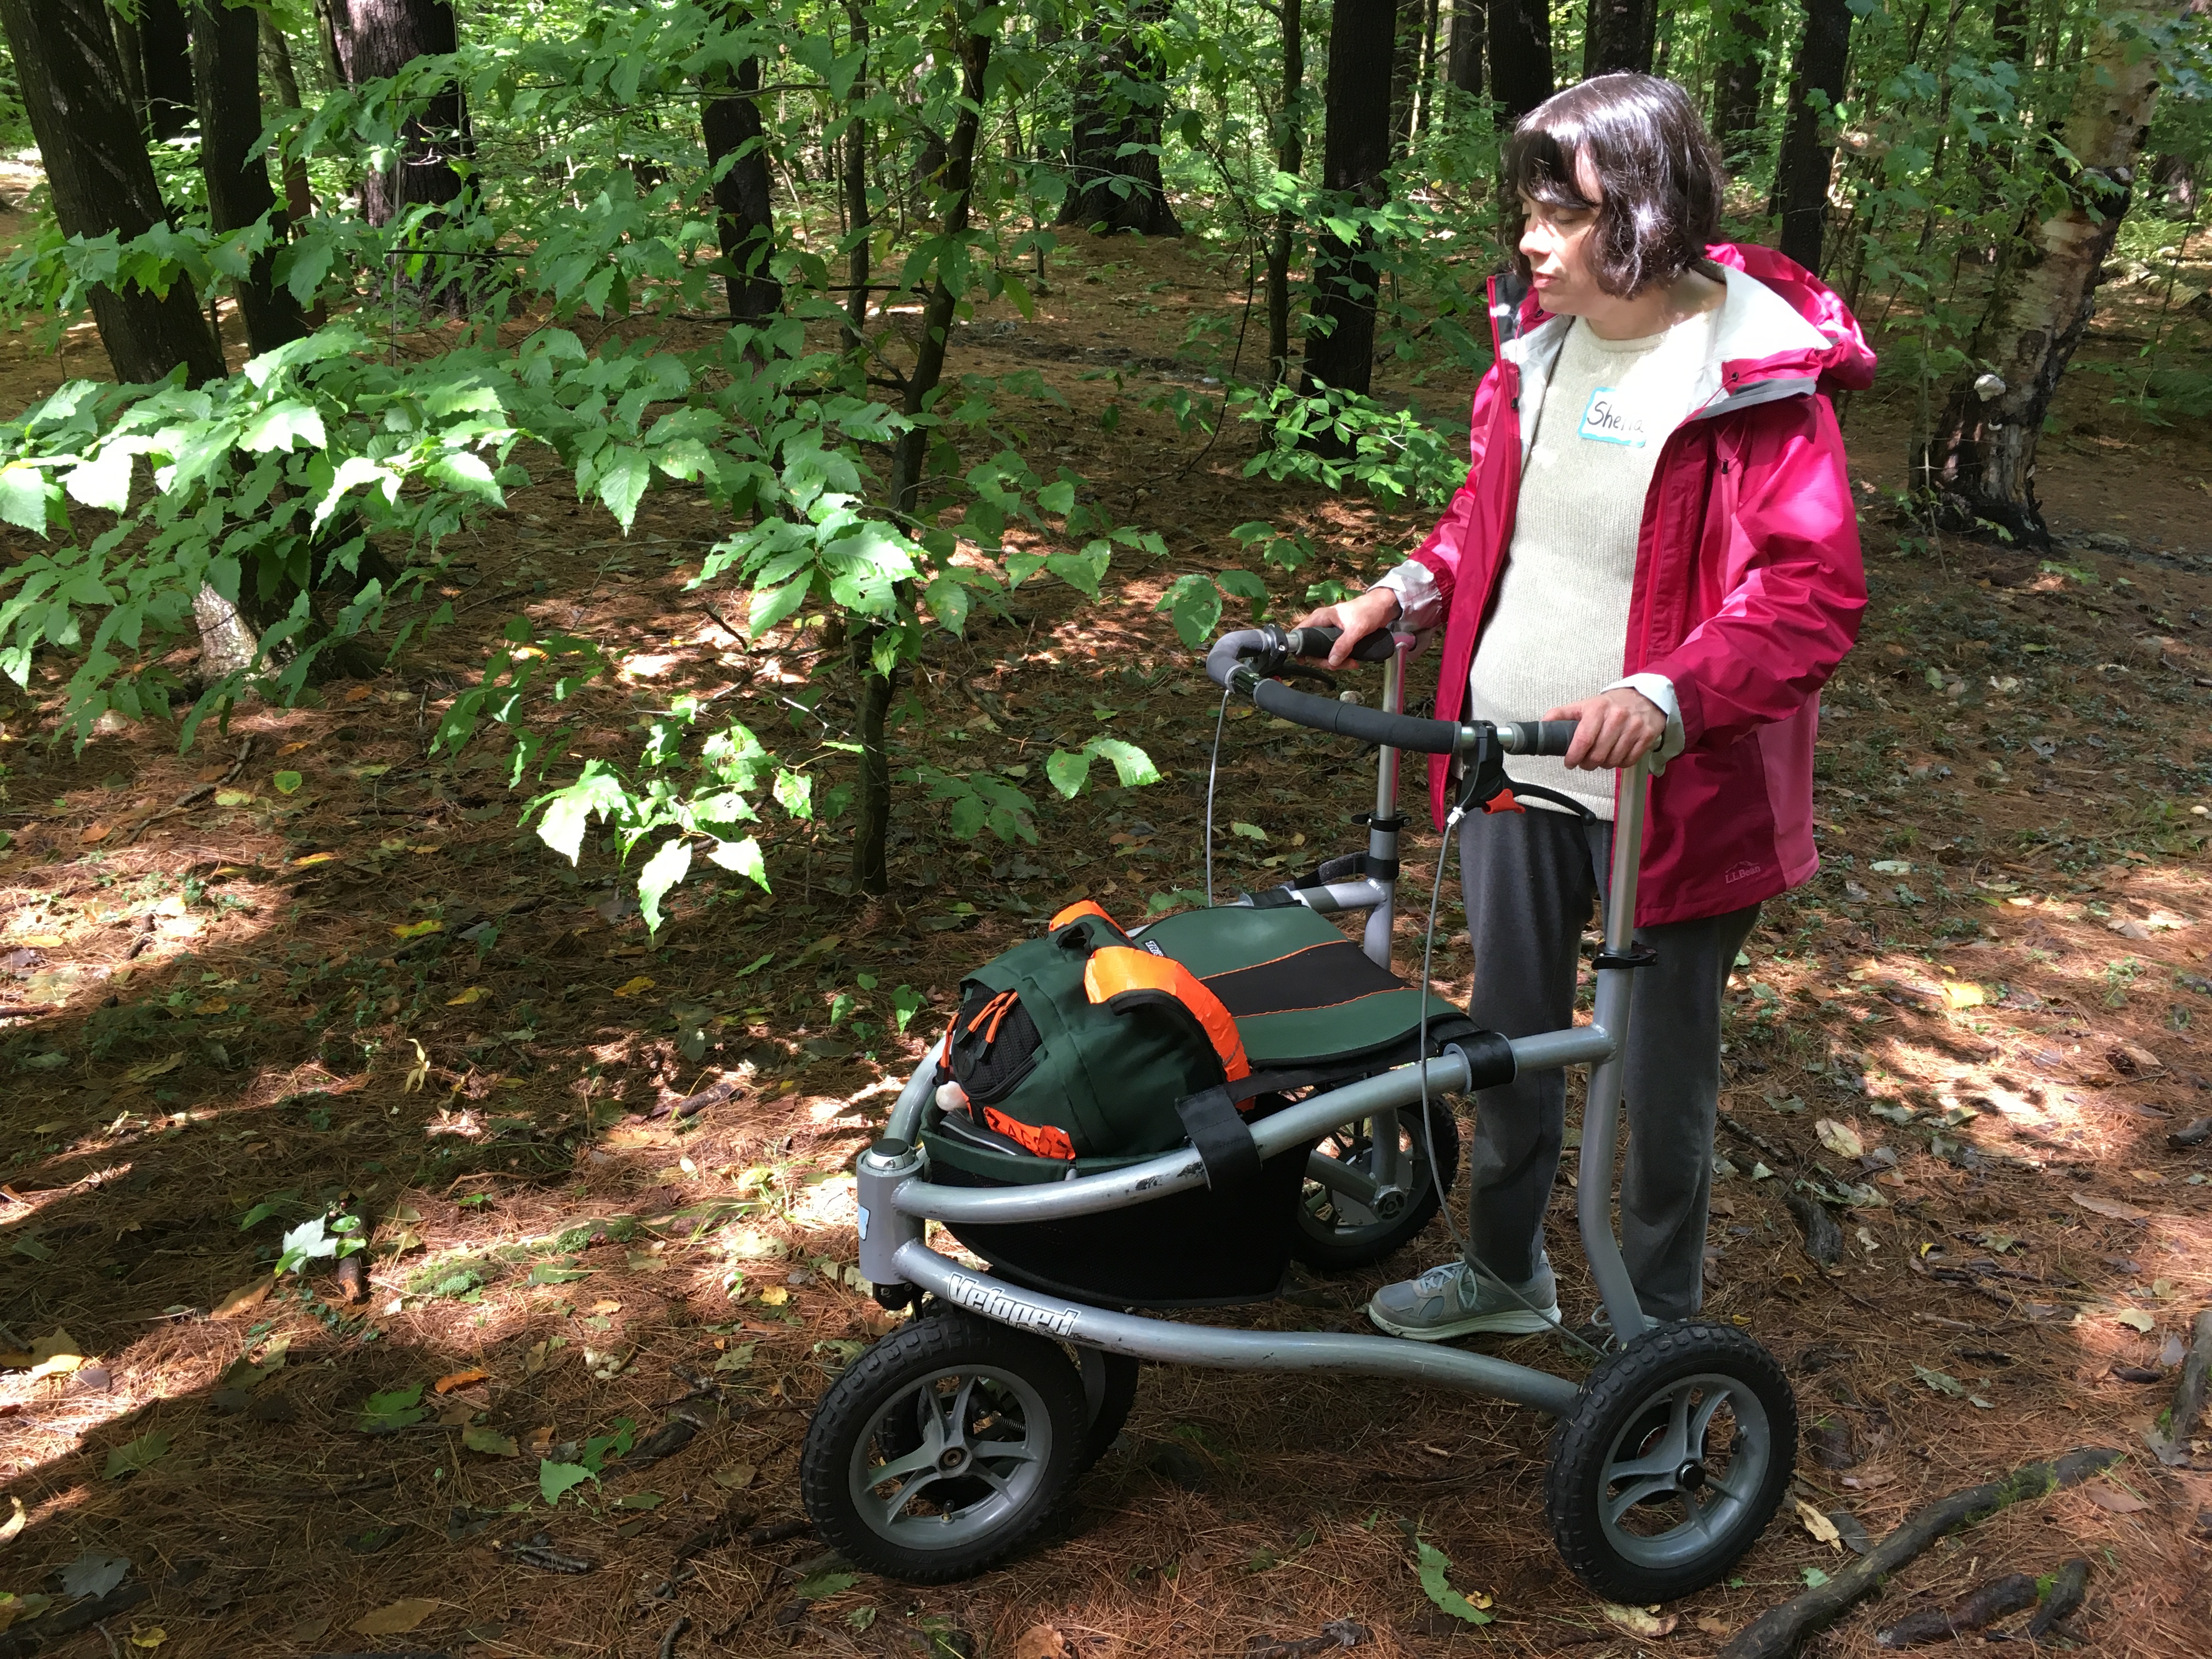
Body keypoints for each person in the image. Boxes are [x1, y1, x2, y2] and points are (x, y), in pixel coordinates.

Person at [1295, 73, 1873, 1341]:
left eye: (1558, 215)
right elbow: (1487, 523)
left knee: (1659, 1087)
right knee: (1508, 1045)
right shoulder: (1535, 354)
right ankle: (1506, 1276)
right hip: (1512, 764)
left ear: (1642, 216)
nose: (1528, 241)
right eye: (1528, 211)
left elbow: (1811, 594)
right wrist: (1397, 593)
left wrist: (1670, 692)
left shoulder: (1753, 379)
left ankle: (1657, 1334)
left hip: (1674, 796)